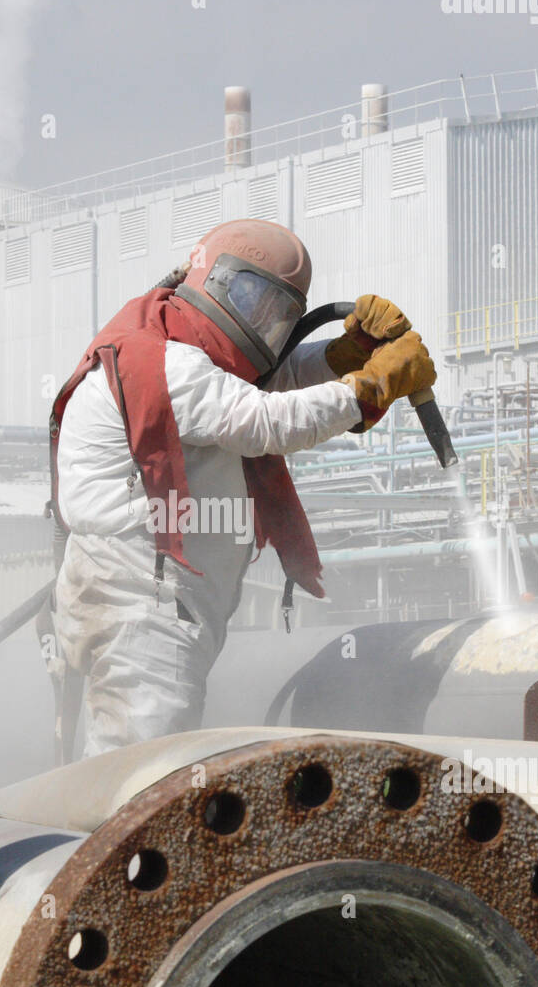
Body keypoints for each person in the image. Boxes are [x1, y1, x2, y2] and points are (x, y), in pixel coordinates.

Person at [47, 218, 435, 758]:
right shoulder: (165, 363)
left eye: (278, 316)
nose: (264, 324)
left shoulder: (168, 343)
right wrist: (368, 387)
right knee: (140, 776)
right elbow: (262, 420)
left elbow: (255, 386)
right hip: (143, 611)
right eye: (254, 302)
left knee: (118, 769)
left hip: (141, 597)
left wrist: (342, 357)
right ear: (217, 280)